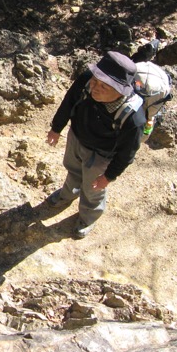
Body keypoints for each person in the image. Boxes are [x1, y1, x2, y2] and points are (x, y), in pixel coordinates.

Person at [45, 51, 146, 238]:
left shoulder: (134, 118)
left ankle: (88, 216)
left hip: (101, 155)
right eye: (95, 81)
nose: (95, 88)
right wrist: (56, 128)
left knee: (93, 188)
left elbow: (127, 153)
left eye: (104, 86)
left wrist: (108, 176)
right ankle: (67, 194)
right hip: (76, 137)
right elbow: (69, 101)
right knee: (72, 170)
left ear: (120, 91)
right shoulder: (87, 80)